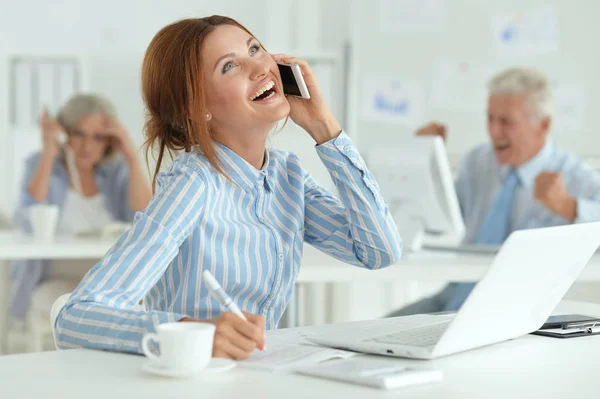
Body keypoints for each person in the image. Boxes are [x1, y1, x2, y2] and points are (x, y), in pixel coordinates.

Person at [54, 16, 403, 359]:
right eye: (229, 67)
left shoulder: (287, 177)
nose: (258, 68)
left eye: (255, 49)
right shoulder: (193, 185)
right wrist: (192, 333)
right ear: (197, 107)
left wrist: (325, 127)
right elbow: (77, 317)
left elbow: (378, 250)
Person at [389, 67, 600, 317]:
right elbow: (436, 223)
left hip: (519, 312)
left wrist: (571, 208)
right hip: (454, 297)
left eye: (506, 122)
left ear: (543, 125)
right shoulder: (478, 162)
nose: (494, 131)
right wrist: (426, 163)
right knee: (371, 339)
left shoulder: (574, 176)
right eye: (490, 118)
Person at [10, 94, 152, 332]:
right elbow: (27, 217)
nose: (88, 146)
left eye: (98, 137)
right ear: (65, 134)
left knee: (140, 304)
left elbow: (145, 216)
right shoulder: (42, 164)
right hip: (57, 276)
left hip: (109, 276)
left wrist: (131, 156)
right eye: (79, 134)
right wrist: (48, 152)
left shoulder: (115, 171)